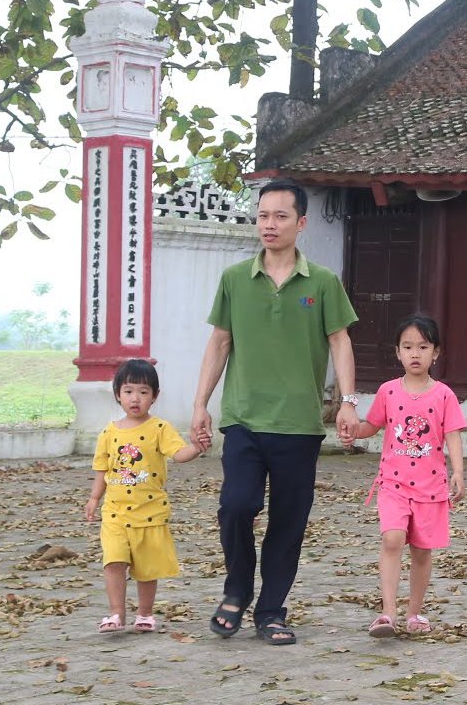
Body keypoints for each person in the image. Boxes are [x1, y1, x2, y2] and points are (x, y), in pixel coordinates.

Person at [190, 179, 359, 646]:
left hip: (298, 424)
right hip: (242, 417)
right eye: (263, 215)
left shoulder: (322, 283)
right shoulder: (234, 279)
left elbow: (340, 341)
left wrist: (348, 401)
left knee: (289, 520)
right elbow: (219, 342)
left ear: (300, 223)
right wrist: (200, 404)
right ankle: (236, 591)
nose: (269, 224)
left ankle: (271, 611)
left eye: (280, 216)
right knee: (236, 505)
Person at [340, 314, 467, 637]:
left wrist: (458, 472)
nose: (415, 353)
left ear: (435, 352)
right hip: (393, 484)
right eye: (407, 346)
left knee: (422, 550)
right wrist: (355, 431)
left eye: (423, 347)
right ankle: (387, 613)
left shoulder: (443, 395)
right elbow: (373, 425)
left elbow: (453, 434)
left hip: (431, 488)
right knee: (392, 538)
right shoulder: (387, 392)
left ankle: (414, 613)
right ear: (397, 352)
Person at [84, 358, 204, 633]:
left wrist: (196, 447)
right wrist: (94, 499)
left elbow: (179, 454)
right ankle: (116, 613)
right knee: (113, 561)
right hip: (114, 513)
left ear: (154, 397)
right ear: (118, 394)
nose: (135, 398)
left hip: (150, 513)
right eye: (128, 391)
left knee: (146, 569)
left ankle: (145, 614)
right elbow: (102, 469)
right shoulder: (108, 433)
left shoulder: (160, 429)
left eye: (143, 392)